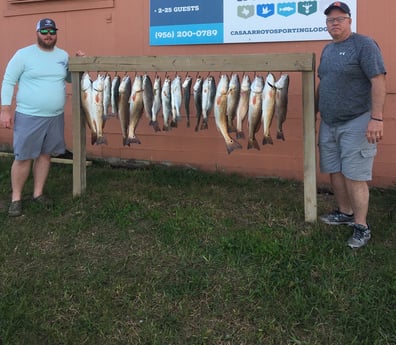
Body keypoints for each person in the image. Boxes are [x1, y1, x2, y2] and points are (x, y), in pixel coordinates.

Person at [316, 2, 387, 248]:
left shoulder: (364, 45)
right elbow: (324, 82)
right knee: (334, 170)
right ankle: (344, 212)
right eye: (330, 20)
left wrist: (376, 118)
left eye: (340, 18)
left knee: (355, 175)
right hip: (329, 122)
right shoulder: (327, 49)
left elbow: (378, 81)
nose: (334, 23)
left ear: (349, 21)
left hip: (356, 121)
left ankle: (361, 226)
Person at [0, 18, 85, 217]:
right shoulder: (23, 55)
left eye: (52, 32)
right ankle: (16, 199)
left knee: (46, 155)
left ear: (56, 33)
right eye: (44, 31)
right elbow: (8, 81)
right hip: (29, 116)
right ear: (37, 32)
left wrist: (78, 62)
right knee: (23, 158)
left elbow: (68, 79)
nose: (49, 35)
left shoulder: (62, 56)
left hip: (55, 117)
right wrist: (5, 110)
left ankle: (38, 193)